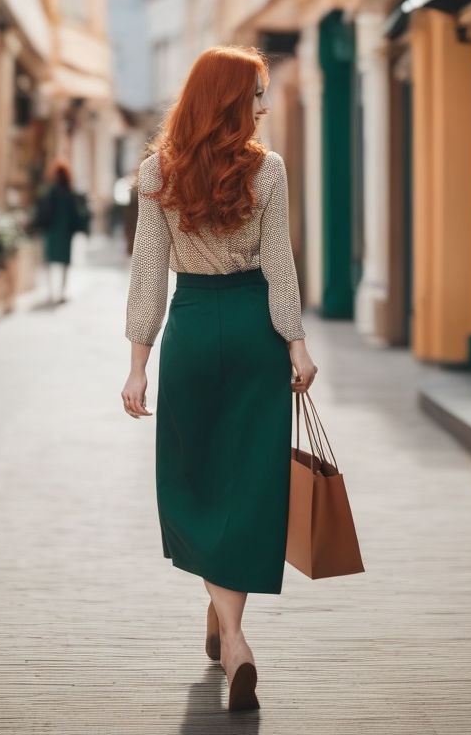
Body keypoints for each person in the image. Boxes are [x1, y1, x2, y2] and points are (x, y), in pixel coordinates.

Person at [120, 45, 318, 712]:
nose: (264, 105)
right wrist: (295, 344)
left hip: (194, 328)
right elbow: (280, 267)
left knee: (195, 478)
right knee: (249, 480)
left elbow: (148, 272)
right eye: (258, 94)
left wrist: (136, 365)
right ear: (233, 100)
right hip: (255, 331)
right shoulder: (270, 171)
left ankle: (230, 635)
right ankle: (231, 636)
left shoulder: (156, 174)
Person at [40, 158, 84, 304]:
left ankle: (54, 291)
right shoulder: (67, 192)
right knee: (63, 262)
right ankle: (59, 291)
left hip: (57, 230)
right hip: (63, 231)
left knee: (52, 261)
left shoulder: (54, 191)